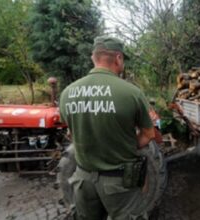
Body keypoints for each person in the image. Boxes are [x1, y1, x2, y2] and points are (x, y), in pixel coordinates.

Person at [59, 36, 155, 220]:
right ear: (118, 58)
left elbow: (72, 134)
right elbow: (148, 134)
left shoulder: (67, 93)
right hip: (120, 184)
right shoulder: (131, 93)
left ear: (93, 58)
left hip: (82, 180)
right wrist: (122, 147)